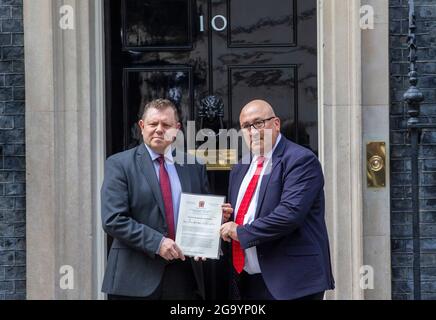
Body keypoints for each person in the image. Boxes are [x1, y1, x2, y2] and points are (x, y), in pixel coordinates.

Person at [220, 99, 335, 300]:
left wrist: (239, 231)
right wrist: (225, 219)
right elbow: (244, 215)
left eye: (259, 123)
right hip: (248, 280)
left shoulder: (300, 160)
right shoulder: (240, 168)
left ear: (276, 124)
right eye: (246, 126)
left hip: (292, 280)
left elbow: (289, 215)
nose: (253, 131)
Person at [101, 99, 212, 299]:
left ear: (177, 129)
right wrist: (157, 243)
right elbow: (113, 219)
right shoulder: (119, 164)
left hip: (183, 276)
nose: (159, 130)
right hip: (133, 278)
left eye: (166, 125)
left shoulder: (194, 166)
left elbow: (202, 214)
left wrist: (215, 222)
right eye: (153, 124)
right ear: (142, 127)